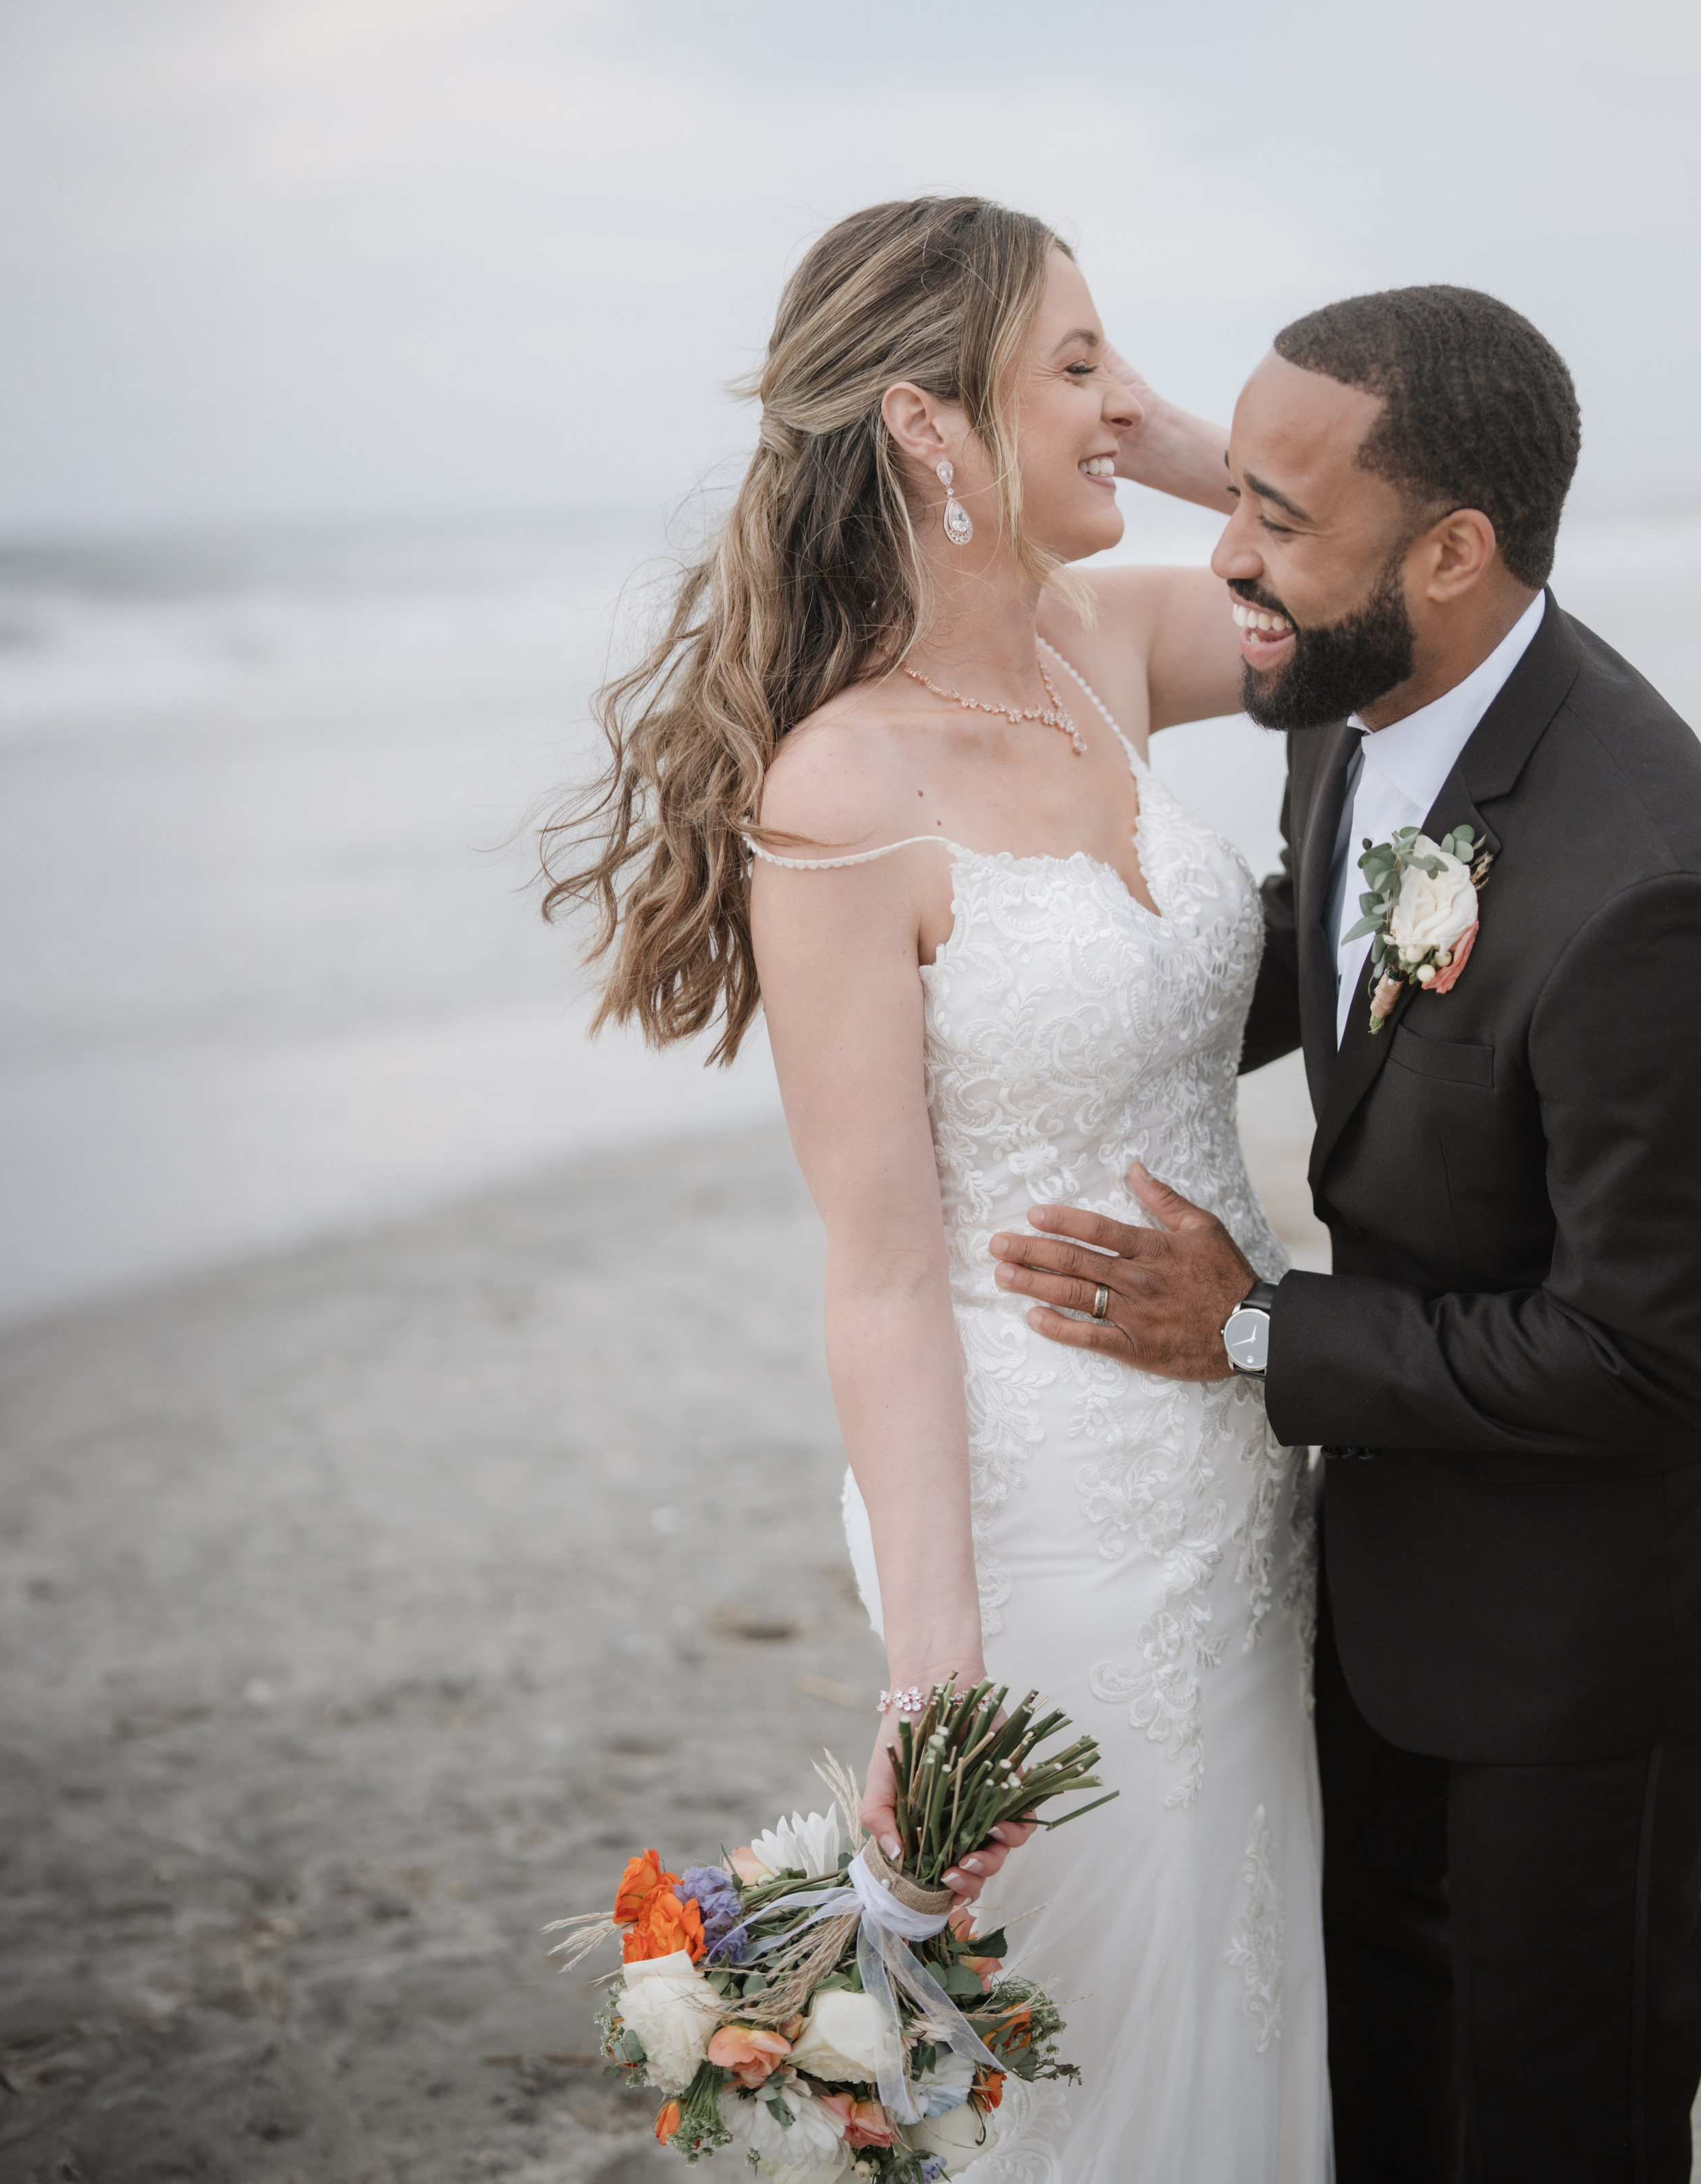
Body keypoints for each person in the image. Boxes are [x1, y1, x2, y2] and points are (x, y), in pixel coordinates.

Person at [545, 195, 1330, 2179]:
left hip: (1239, 1467)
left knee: (1243, 1983)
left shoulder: (1112, 653)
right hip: (1036, 1493)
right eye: (1075, 364)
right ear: (924, 426)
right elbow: (882, 1273)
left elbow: (1351, 573)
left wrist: (1129, 434)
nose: (1118, 401)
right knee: (1077, 2045)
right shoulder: (840, 790)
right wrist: (937, 1674)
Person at [992, 287, 1701, 2181]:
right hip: (1364, 1593)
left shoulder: (1643, 887)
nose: (1226, 556)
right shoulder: (1362, 686)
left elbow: (1645, 1349)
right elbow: (1342, 945)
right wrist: (1051, 1022)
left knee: (1559, 2123)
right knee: (1376, 2078)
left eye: (1277, 519)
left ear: (1455, 552)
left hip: (1575, 1657)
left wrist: (1250, 1330)